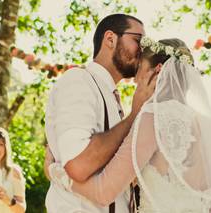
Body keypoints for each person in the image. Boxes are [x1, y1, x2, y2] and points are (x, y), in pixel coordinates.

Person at [46, 37, 211, 212]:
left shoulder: (153, 119)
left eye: (140, 69)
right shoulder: (208, 126)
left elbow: (103, 192)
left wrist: (55, 171)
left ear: (157, 70)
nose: (135, 80)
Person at [44, 13, 157, 213]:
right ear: (110, 39)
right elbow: (78, 164)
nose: (143, 51)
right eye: (138, 41)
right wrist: (133, 116)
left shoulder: (113, 98)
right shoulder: (78, 81)